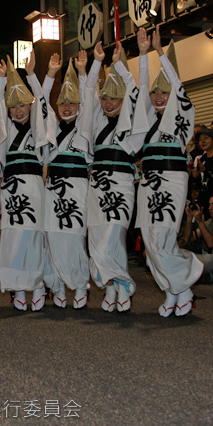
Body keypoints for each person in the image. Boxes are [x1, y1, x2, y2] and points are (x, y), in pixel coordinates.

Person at [134, 28, 203, 316]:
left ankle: (184, 287)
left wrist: (159, 53)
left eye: (165, 91)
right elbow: (140, 91)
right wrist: (141, 55)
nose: (158, 96)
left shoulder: (183, 116)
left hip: (172, 180)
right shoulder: (149, 121)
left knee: (163, 235)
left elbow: (179, 88)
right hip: (148, 184)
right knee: (150, 242)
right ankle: (173, 291)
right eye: (155, 91)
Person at [86, 40, 142, 313]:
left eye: (114, 98)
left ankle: (121, 281)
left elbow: (136, 93)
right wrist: (97, 62)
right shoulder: (96, 119)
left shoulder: (131, 121)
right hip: (96, 184)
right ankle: (112, 287)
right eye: (105, 98)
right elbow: (87, 94)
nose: (108, 103)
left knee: (115, 234)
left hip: (121, 182)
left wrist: (118, 63)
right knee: (97, 234)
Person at [0, 52, 49, 312]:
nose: (18, 110)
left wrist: (31, 75)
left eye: (23, 105)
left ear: (30, 105)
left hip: (34, 187)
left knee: (34, 237)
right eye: (13, 106)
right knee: (14, 238)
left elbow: (45, 103)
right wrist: (1, 79)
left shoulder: (39, 128)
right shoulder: (5, 127)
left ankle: (37, 284)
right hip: (12, 187)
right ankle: (17, 288)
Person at [39, 51, 92, 309]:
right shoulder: (52, 128)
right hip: (53, 189)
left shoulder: (85, 127)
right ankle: (57, 284)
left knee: (74, 238)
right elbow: (41, 104)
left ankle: (81, 284)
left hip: (78, 188)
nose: (67, 107)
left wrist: (83, 73)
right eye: (62, 104)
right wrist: (49, 75)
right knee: (53, 237)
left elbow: (90, 101)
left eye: (73, 103)